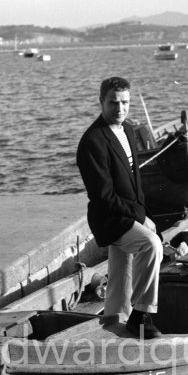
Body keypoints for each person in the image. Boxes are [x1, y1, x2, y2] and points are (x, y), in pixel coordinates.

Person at [76, 76, 163, 338]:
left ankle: (114, 319)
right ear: (101, 102)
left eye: (125, 102)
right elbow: (103, 196)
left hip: (128, 213)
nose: (120, 108)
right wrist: (140, 218)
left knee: (120, 271)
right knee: (150, 244)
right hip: (109, 219)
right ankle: (141, 315)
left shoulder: (126, 131)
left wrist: (146, 215)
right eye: (113, 102)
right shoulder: (92, 141)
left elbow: (135, 183)